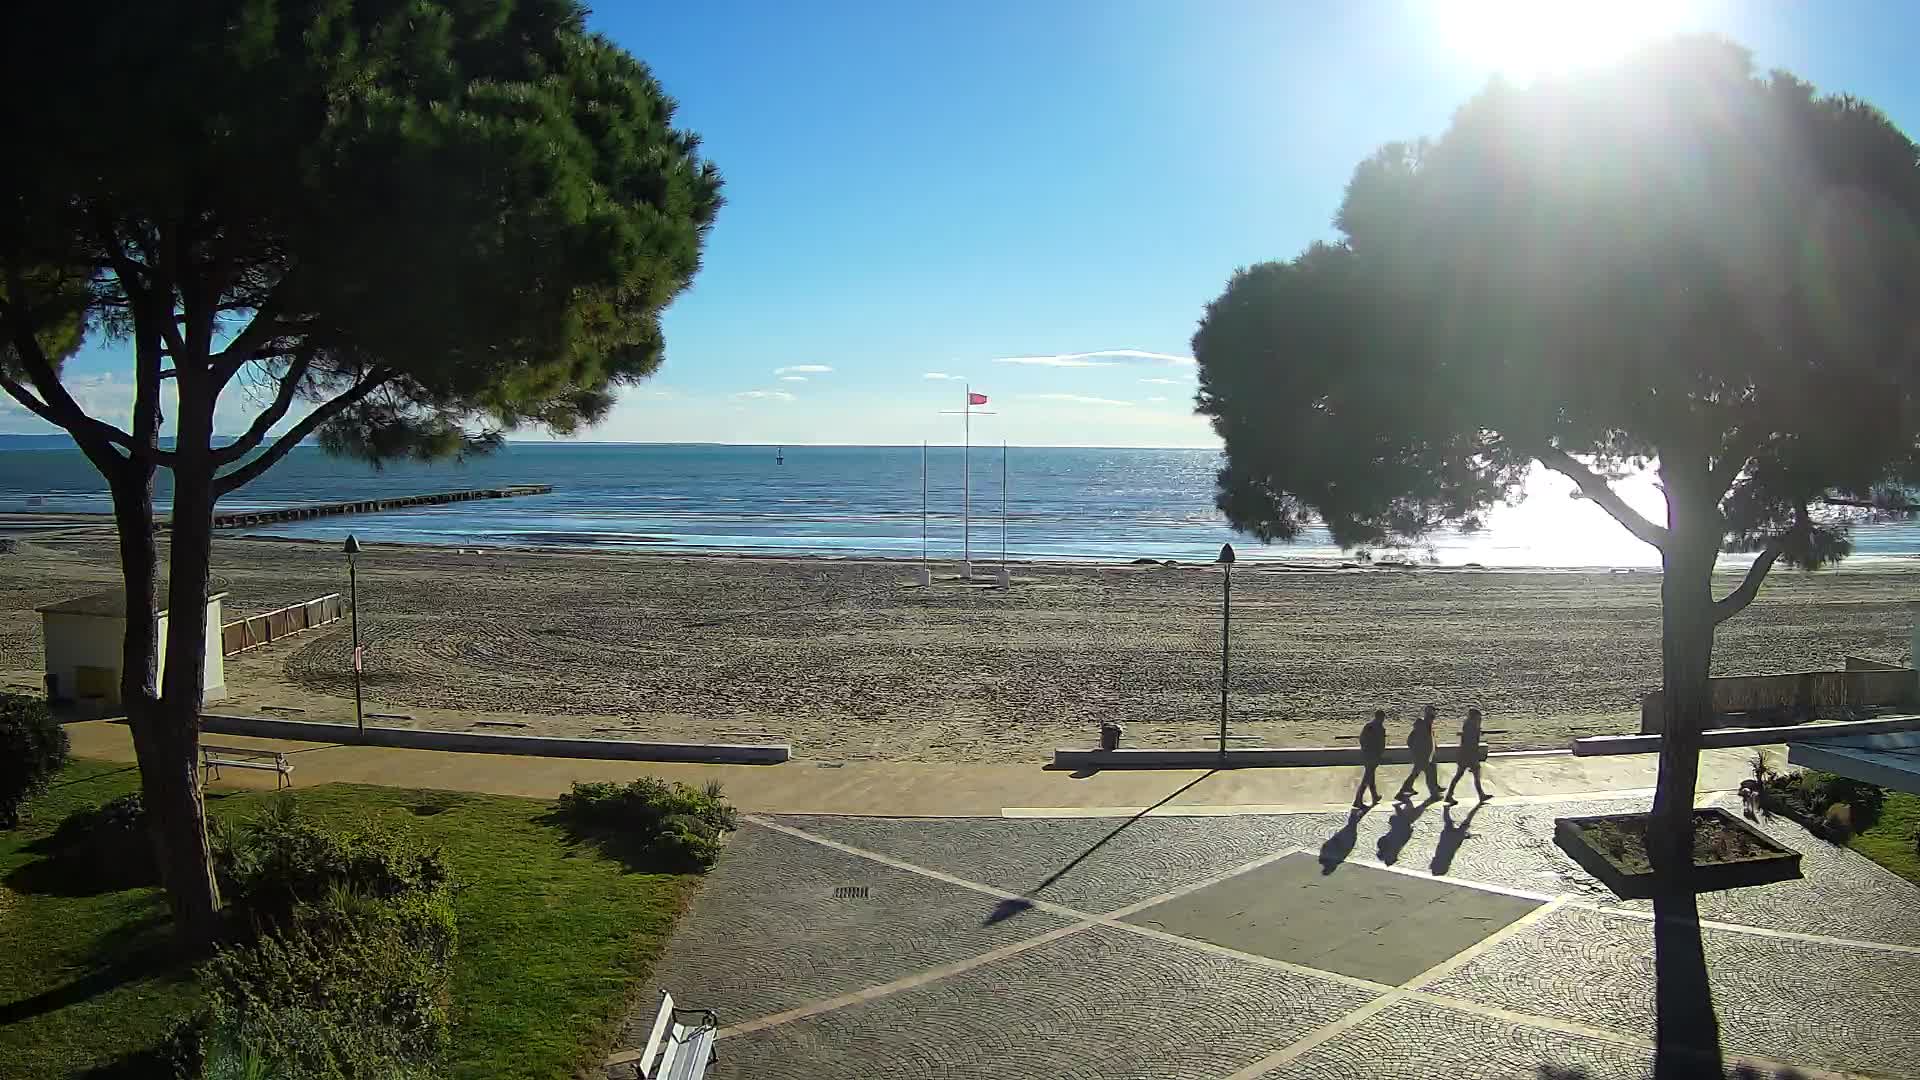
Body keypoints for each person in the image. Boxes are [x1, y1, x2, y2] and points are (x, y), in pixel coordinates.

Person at [1395, 704, 1443, 802]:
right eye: (1432, 716)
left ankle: (1407, 790)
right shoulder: (1422, 726)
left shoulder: (1427, 725)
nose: (1434, 718)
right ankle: (1434, 794)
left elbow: (1430, 740)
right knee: (1427, 773)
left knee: (1427, 771)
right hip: (1423, 756)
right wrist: (1418, 753)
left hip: (1427, 755)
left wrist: (1433, 750)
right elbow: (1411, 740)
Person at [1445, 706, 1490, 804]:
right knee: (1469, 775)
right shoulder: (1472, 728)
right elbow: (1471, 742)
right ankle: (1480, 795)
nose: (1480, 720)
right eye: (1479, 718)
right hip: (1469, 755)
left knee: (1461, 775)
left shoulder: (1469, 726)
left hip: (1465, 755)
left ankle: (1449, 795)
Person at [1354, 709, 1387, 808]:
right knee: (1367, 778)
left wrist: (1365, 750)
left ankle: (1374, 796)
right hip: (1373, 756)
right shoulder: (1377, 727)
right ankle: (1358, 800)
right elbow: (1380, 743)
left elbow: (1362, 739)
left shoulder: (1369, 726)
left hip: (1369, 755)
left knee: (1370, 776)